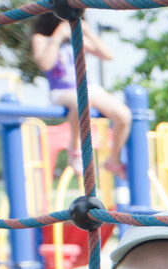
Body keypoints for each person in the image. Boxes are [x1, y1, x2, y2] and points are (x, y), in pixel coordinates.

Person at [30, 13, 131, 178]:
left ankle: (114, 160)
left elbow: (108, 55)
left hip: (86, 87)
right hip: (61, 91)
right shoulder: (42, 38)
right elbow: (45, 63)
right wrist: (58, 36)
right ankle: (75, 150)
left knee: (123, 115)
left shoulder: (76, 37)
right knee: (81, 102)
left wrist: (87, 31)